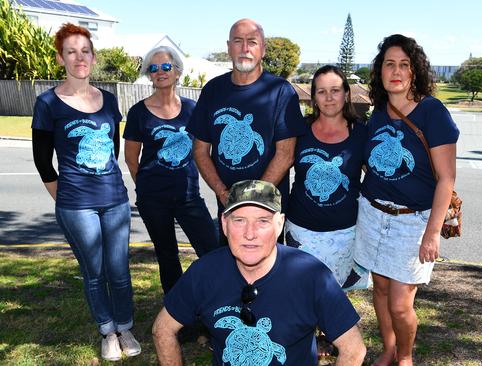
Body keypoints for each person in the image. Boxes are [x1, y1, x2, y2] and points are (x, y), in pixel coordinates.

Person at [152, 180, 366, 365]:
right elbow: (162, 329)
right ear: (224, 225)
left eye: (262, 221)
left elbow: (353, 349)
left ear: (280, 224)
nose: (250, 234)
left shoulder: (311, 275)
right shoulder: (204, 272)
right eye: (239, 220)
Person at [31, 23, 140, 361]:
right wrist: (66, 199)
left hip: (115, 201)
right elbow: (43, 162)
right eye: (71, 52)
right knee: (95, 273)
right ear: (61, 58)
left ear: (93, 58)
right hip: (76, 205)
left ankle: (125, 326)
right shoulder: (48, 103)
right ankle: (107, 331)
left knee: (119, 271)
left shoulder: (108, 100)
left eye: (85, 51)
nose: (79, 57)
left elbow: (112, 147)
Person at [352, 34, 459, 366]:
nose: (396, 71)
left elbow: (446, 179)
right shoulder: (380, 111)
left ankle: (406, 357)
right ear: (380, 71)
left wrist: (432, 232)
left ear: (416, 71)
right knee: (380, 292)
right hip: (373, 214)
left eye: (404, 64)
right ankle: (388, 349)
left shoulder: (432, 112)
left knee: (400, 303)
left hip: (413, 222)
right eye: (389, 64)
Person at [188, 19, 305, 246]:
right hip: (227, 204)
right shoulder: (213, 90)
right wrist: (223, 193)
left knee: (270, 271)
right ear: (228, 46)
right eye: (238, 41)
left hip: (267, 206)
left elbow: (286, 154)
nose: (245, 48)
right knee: (230, 268)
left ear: (262, 49)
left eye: (252, 42)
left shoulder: (281, 91)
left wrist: (252, 197)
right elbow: (200, 150)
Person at [123, 46, 219, 295]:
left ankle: (210, 302)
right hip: (153, 200)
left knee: (212, 251)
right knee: (167, 256)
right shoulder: (138, 113)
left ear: (177, 72)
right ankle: (178, 312)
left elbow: (204, 149)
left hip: (189, 197)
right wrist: (146, 187)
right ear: (149, 75)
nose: (160, 72)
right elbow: (132, 159)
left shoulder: (192, 109)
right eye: (153, 68)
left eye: (166, 66)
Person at [286, 65, 368, 291]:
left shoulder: (362, 133)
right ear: (313, 97)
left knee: (335, 303)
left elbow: (377, 179)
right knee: (302, 298)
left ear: (347, 93)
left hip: (344, 234)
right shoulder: (299, 130)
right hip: (300, 231)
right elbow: (279, 164)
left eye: (335, 90)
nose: (329, 97)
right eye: (321, 91)